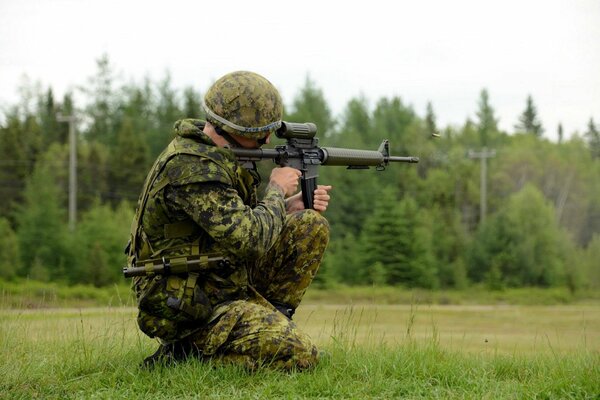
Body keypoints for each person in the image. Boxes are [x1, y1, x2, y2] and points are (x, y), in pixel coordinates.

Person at [126, 71, 332, 371]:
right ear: (236, 130)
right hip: (186, 304)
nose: (267, 140)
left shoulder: (217, 157)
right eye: (261, 134)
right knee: (302, 357)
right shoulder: (192, 167)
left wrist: (288, 206)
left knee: (308, 225)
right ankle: (183, 353)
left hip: (220, 279)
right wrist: (275, 190)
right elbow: (249, 241)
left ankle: (272, 326)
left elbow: (235, 219)